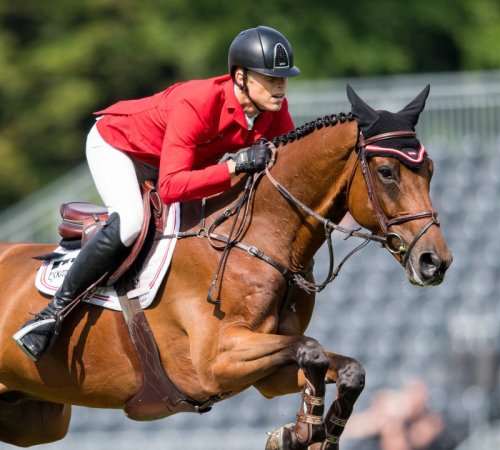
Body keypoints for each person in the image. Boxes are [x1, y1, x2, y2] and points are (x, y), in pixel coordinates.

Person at [14, 25, 301, 361]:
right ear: (240, 78)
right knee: (132, 222)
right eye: (271, 78)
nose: (280, 86)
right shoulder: (198, 103)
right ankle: (51, 315)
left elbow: (286, 167)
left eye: (283, 78)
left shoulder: (274, 109)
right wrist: (233, 168)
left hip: (170, 162)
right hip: (120, 148)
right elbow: (171, 186)